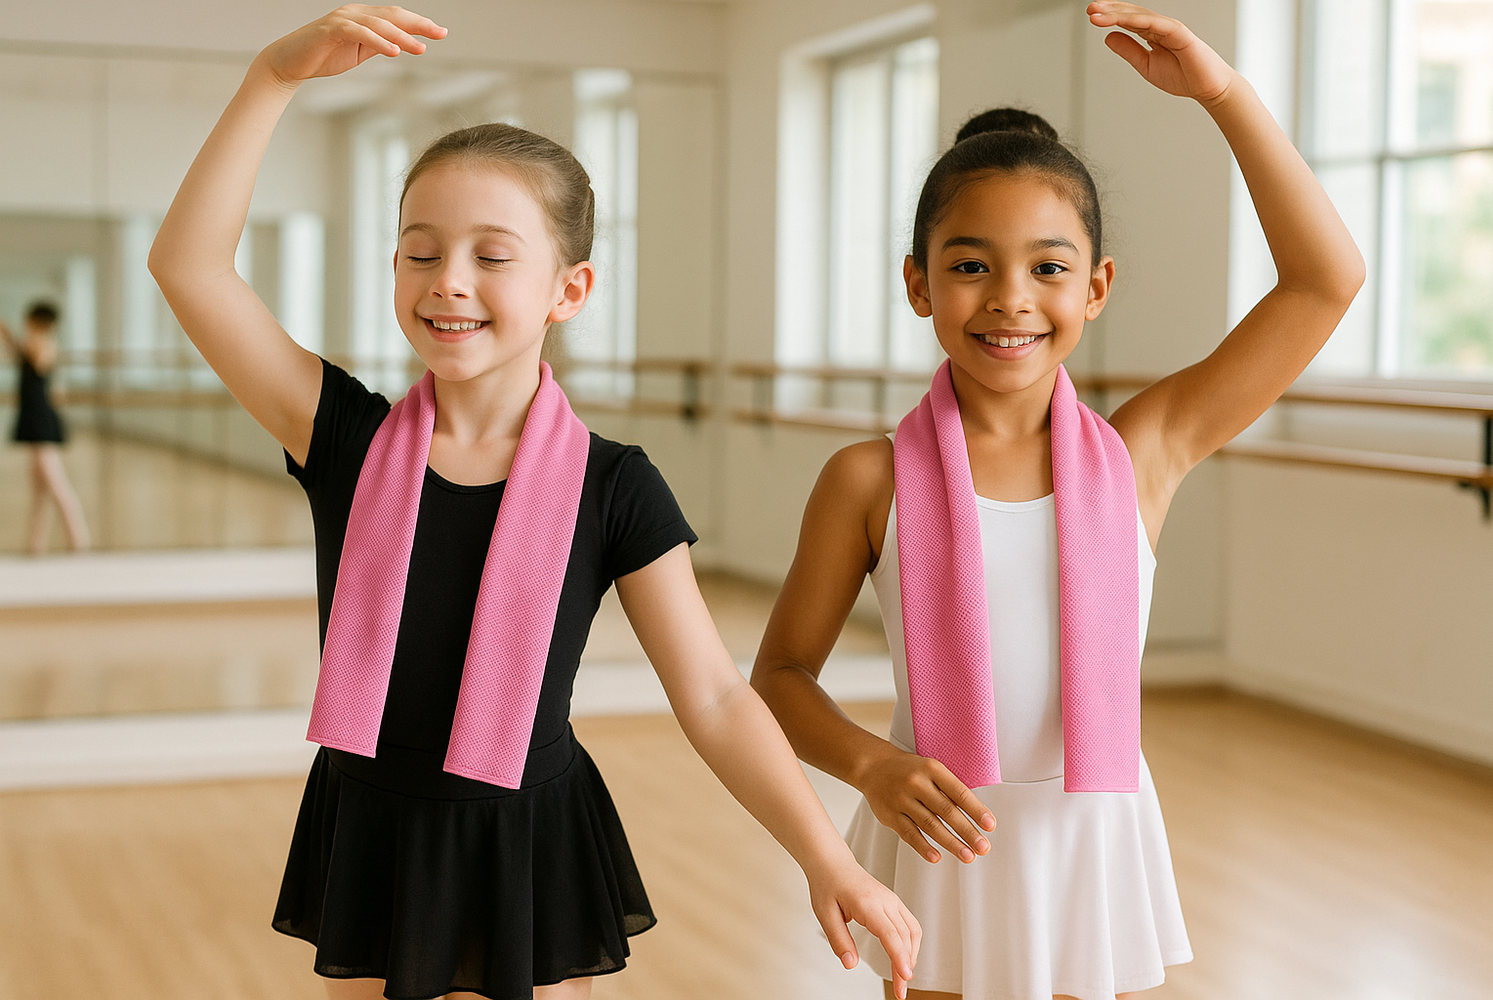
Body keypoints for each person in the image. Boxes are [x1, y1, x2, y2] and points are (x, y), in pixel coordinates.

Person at [148, 6, 922, 999]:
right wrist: (271, 76)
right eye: (420, 251)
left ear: (570, 288)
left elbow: (719, 696)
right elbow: (191, 266)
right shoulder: (346, 437)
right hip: (373, 821)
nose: (448, 281)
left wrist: (829, 856)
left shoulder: (614, 483)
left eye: (492, 254)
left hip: (527, 834)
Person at [749, 4, 1364, 999]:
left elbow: (1326, 280)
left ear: (1097, 286)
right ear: (919, 284)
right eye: (969, 267)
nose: (1010, 300)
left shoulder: (1142, 452)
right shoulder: (868, 478)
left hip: (1093, 838)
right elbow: (779, 675)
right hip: (943, 827)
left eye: (1048, 268)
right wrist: (870, 765)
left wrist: (1225, 93)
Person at [2, 300, 91, 554]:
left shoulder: (43, 344)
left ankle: (79, 542)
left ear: (37, 321)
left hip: (41, 422)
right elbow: (19, 353)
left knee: (56, 485)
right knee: (40, 489)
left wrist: (15, 336)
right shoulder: (34, 344)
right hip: (34, 420)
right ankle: (35, 545)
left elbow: (32, 356)